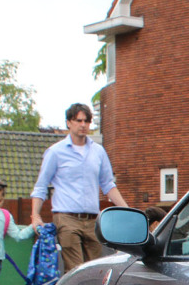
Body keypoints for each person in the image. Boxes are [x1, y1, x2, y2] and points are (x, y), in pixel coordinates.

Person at [31, 103, 128, 272]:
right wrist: (35, 215)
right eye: (79, 120)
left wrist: (126, 210)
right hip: (67, 218)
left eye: (87, 121)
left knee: (97, 269)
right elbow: (41, 186)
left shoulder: (98, 151)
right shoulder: (55, 152)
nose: (83, 125)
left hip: (92, 219)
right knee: (76, 269)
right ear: (69, 123)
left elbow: (107, 184)